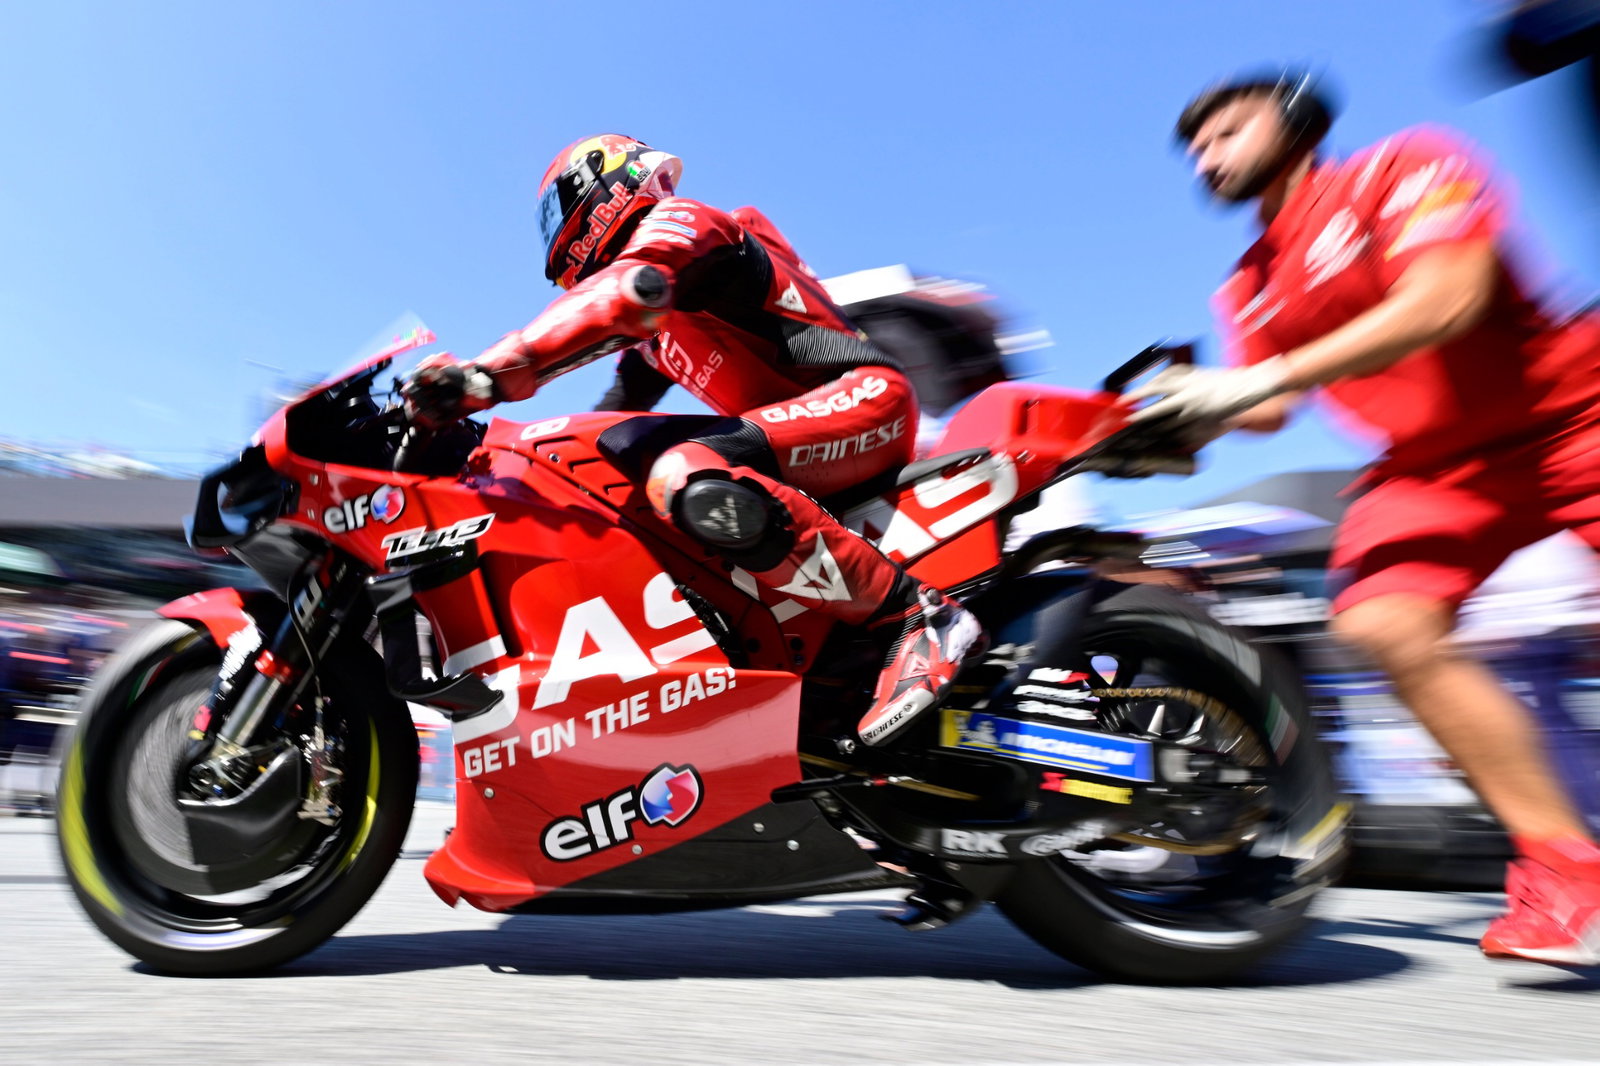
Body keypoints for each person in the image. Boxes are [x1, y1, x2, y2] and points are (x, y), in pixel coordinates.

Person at [1130, 68, 1600, 966]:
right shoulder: (1247, 282)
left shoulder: (1407, 166)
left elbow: (1446, 301)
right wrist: (1171, 418)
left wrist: (1257, 381)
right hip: (1434, 465)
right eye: (1195, 148)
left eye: (1228, 131)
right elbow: (1268, 408)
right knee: (1383, 622)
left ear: (1297, 120)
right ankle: (1565, 866)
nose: (1207, 157)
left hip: (1574, 417)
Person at [401, 134, 985, 747]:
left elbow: (625, 293)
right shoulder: (653, 333)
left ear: (607, 183)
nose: (556, 236)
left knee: (683, 474)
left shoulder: (686, 224)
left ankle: (921, 617)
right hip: (797, 441)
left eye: (559, 209)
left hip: (865, 399)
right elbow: (602, 421)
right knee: (614, 468)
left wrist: (482, 375)